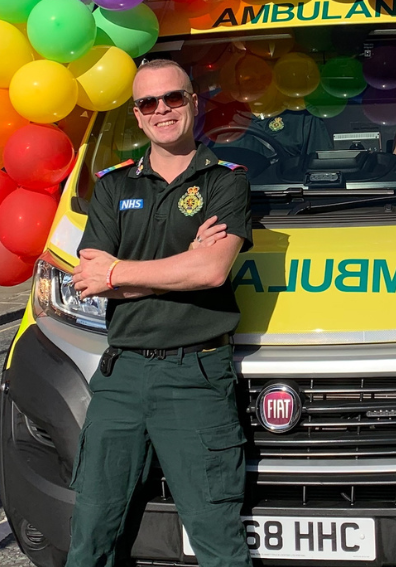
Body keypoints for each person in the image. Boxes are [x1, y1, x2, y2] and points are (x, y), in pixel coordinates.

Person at [68, 58, 253, 567]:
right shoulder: (113, 185)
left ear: (194, 102)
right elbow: (89, 280)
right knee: (91, 531)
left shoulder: (225, 180)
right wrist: (177, 266)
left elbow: (211, 272)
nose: (162, 110)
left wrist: (118, 272)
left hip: (194, 374)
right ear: (137, 113)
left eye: (173, 98)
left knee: (217, 535)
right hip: (121, 374)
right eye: (149, 103)